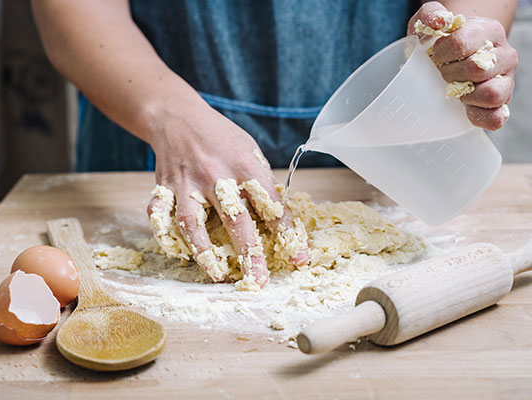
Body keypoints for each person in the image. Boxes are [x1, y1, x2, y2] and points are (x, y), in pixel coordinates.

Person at [31, 0, 518, 286]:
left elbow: (467, 14)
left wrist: (462, 43)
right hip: (146, 113)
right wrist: (167, 115)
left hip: (382, 128)